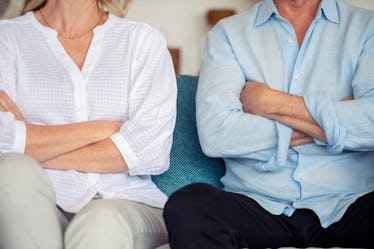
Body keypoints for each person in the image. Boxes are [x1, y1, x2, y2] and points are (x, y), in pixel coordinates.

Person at [163, 0, 374, 248]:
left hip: (351, 202)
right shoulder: (228, 34)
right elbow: (217, 133)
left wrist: (270, 102)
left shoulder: (367, 27)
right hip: (258, 204)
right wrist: (335, 117)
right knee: (190, 205)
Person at [0, 0, 177, 248]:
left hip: (125, 203)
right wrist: (100, 130)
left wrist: (30, 143)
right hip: (39, 204)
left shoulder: (142, 40)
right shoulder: (6, 38)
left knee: (100, 221)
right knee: (12, 171)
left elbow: (150, 152)